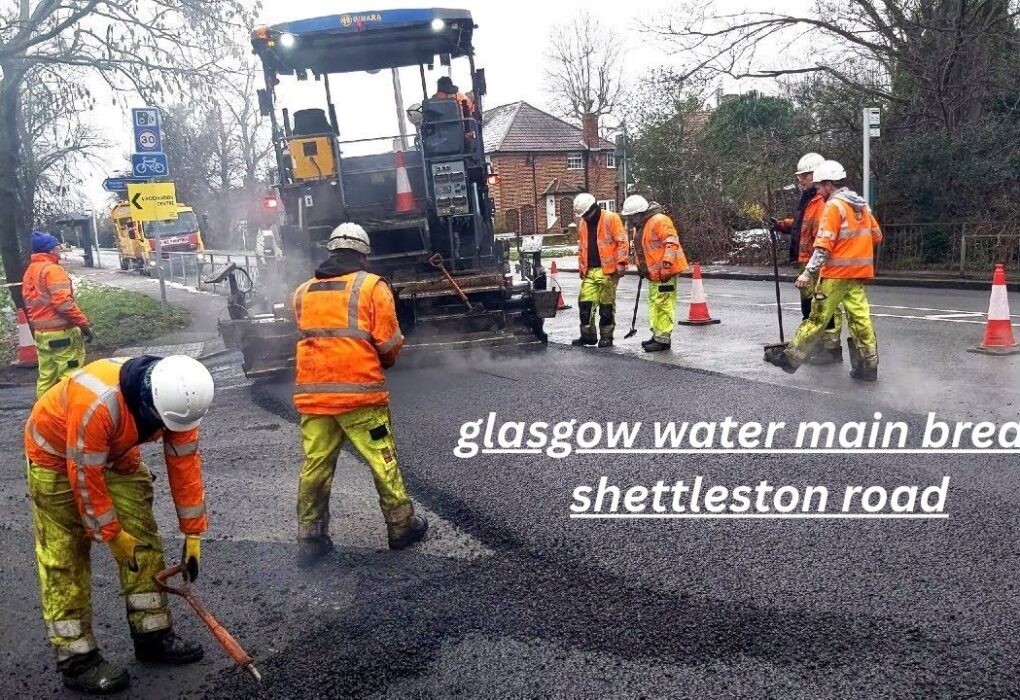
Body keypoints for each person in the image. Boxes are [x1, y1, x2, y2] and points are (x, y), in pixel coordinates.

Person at [24, 355, 215, 694]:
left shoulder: (180, 402)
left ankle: (152, 634)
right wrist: (110, 534)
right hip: (55, 455)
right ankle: (77, 657)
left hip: (115, 452)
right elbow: (84, 477)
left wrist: (193, 530)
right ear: (147, 401)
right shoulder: (97, 404)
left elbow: (185, 466)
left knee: (143, 537)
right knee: (65, 554)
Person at [291, 222, 428, 565]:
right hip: (360, 398)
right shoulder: (372, 287)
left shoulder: (302, 292)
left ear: (331, 251)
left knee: (316, 465)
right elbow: (389, 342)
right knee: (383, 459)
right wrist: (387, 360)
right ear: (364, 255)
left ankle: (311, 538)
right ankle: (401, 527)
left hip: (314, 399)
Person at [766, 160, 883, 380]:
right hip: (857, 275)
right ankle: (868, 366)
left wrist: (807, 273)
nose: (817, 191)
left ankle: (791, 358)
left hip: (835, 275)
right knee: (860, 319)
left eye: (819, 186)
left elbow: (822, 246)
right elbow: (877, 236)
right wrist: (855, 252)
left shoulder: (833, 206)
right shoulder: (862, 205)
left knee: (817, 317)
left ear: (829, 184)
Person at [770, 153, 843, 364]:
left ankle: (829, 349)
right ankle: (817, 346)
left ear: (816, 175)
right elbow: (803, 225)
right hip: (808, 262)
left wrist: (814, 266)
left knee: (824, 306)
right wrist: (782, 224)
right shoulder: (810, 200)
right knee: (810, 305)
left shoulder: (821, 202)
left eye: (804, 175)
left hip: (817, 263)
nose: (799, 180)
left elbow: (824, 235)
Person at [22, 231, 93, 397]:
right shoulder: (53, 270)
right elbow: (64, 304)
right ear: (51, 250)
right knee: (70, 375)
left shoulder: (30, 271)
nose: (60, 251)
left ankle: (43, 414)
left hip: (41, 334)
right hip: (62, 334)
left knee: (46, 377)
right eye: (58, 248)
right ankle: (69, 414)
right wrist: (84, 325)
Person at [621, 195, 689, 352]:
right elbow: (644, 249)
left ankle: (663, 339)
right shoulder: (642, 225)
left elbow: (672, 243)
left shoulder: (659, 220)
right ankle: (657, 335)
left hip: (666, 273)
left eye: (631, 217)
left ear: (639, 213)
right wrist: (641, 267)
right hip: (654, 274)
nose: (629, 220)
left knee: (663, 304)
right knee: (655, 303)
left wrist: (666, 265)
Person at [571, 193, 629, 348]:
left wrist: (622, 262)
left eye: (585, 214)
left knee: (606, 306)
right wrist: (582, 267)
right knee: (585, 304)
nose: (584, 217)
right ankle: (588, 336)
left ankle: (606, 337)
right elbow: (582, 248)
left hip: (607, 271)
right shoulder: (583, 223)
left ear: (593, 208)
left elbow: (622, 242)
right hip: (590, 270)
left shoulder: (610, 218)